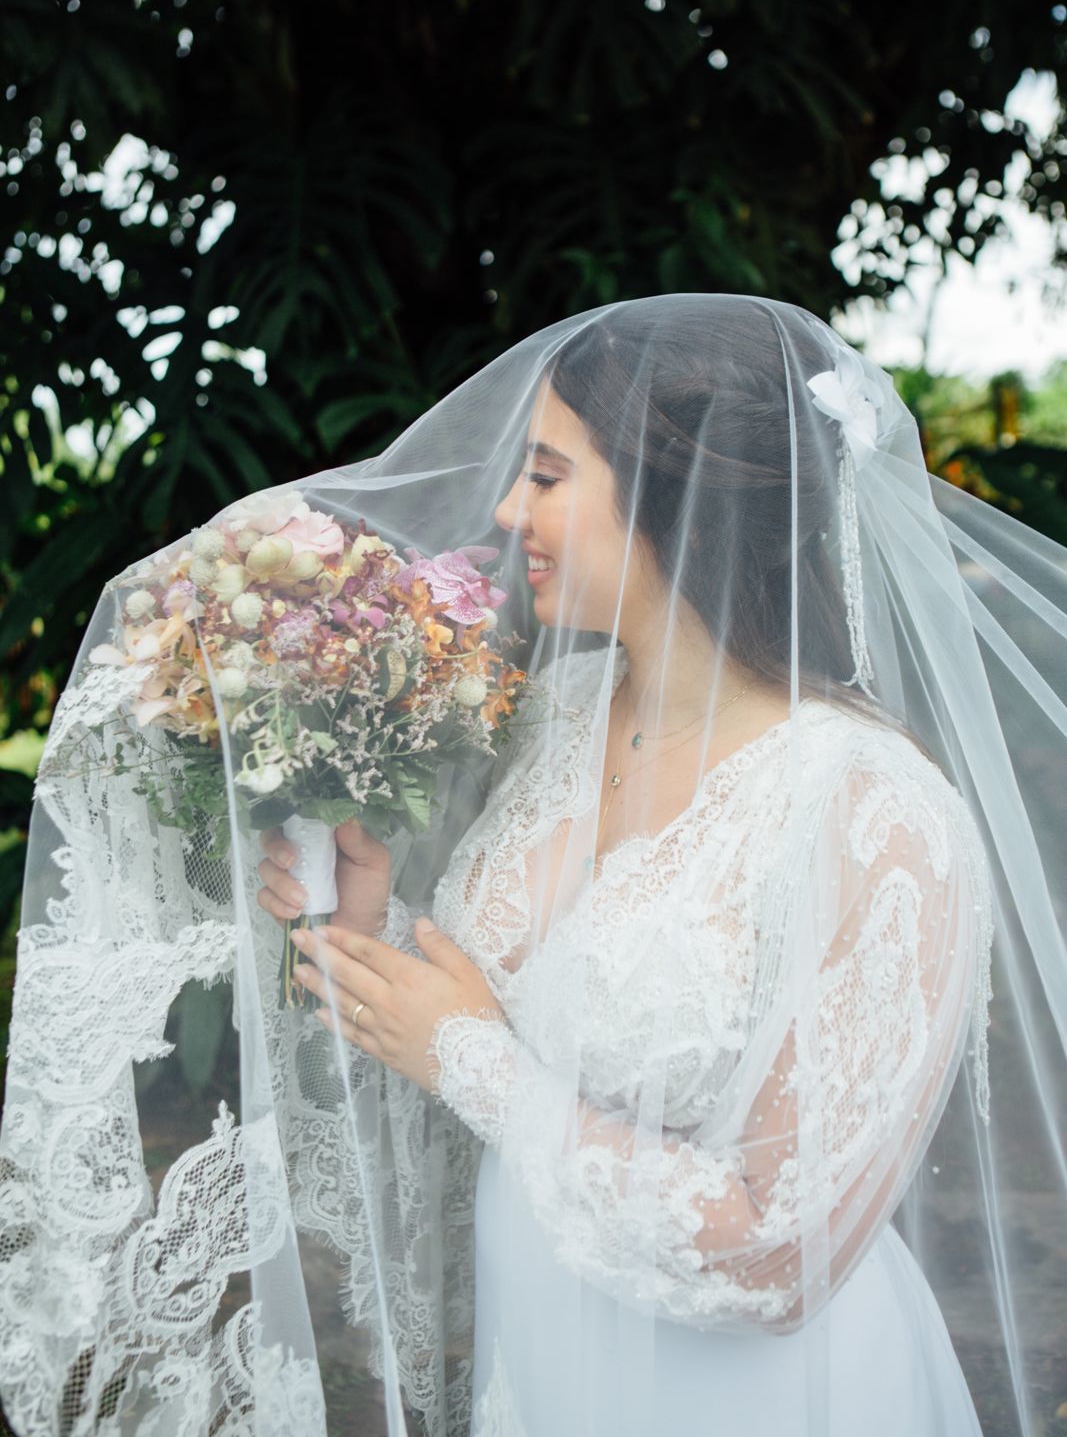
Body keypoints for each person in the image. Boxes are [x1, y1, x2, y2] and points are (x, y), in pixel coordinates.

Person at [3, 294, 1064, 1437]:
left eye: (548, 475)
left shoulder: (871, 811)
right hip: (542, 1366)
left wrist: (461, 1052)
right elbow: (525, 1017)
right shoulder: (558, 717)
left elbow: (778, 1252)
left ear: (676, 499)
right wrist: (381, 939)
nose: (510, 511)